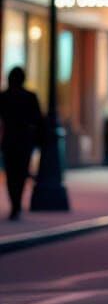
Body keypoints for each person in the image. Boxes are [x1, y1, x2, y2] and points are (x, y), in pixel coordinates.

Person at [0, 67, 44, 220]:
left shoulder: (4, 96)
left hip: (10, 139)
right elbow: (38, 119)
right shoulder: (30, 96)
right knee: (21, 173)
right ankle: (16, 203)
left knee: (11, 174)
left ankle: (15, 203)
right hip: (24, 140)